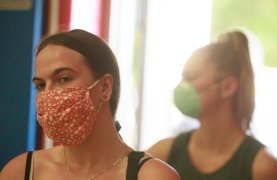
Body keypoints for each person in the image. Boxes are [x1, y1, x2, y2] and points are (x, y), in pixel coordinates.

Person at [1, 29, 179, 180]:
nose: (48, 94)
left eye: (64, 78)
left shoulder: (152, 175)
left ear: (104, 87)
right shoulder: (20, 171)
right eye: (41, 85)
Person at [147, 30, 277, 180]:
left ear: (227, 87)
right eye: (183, 78)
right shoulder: (163, 153)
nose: (182, 86)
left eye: (191, 77)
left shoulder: (263, 168)